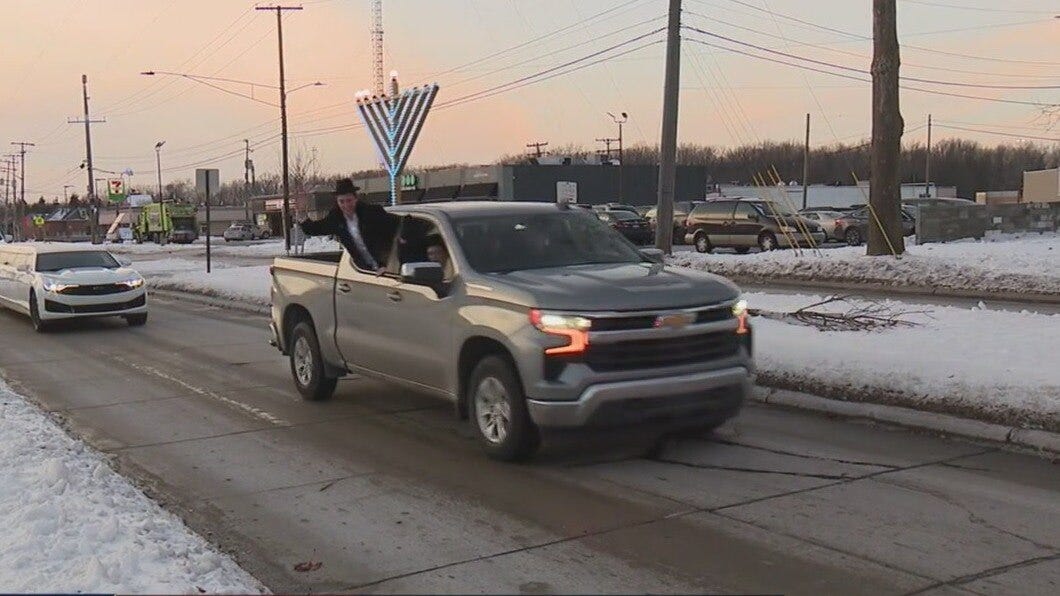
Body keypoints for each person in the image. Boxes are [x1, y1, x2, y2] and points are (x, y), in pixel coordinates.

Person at [298, 178, 399, 273]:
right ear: (337, 202)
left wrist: (389, 265)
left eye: (349, 200)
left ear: (356, 199)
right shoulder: (336, 218)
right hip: (362, 272)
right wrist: (301, 211)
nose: (346, 205)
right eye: (341, 201)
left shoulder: (373, 213)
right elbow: (312, 229)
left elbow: (398, 232)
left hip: (388, 271)